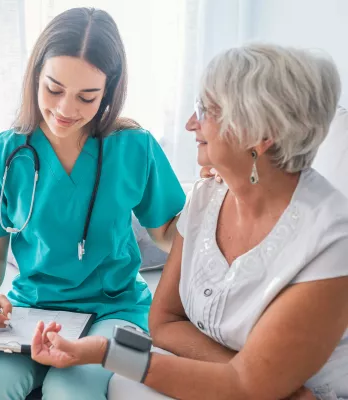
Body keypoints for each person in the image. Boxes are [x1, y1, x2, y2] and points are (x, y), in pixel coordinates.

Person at [30, 44, 348, 400]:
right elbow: (164, 322)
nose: (190, 123)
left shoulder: (331, 241)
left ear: (261, 133)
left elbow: (244, 388)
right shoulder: (207, 197)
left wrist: (107, 352)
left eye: (206, 110)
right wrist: (250, 373)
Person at [0, 7, 186, 400]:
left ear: (110, 92)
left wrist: (224, 204)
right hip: (30, 309)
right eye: (53, 89)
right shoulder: (4, 153)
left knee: (71, 391)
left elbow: (170, 233)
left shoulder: (135, 147)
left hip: (118, 312)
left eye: (87, 96)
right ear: (35, 77)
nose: (66, 110)